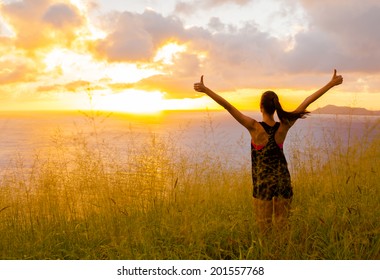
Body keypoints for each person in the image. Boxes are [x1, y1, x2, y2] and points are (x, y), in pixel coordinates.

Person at [193, 70, 343, 233]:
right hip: (282, 180)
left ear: (261, 107)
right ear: (275, 107)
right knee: (282, 226)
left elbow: (227, 106)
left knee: (263, 230)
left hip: (262, 184)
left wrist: (206, 90)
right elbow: (307, 101)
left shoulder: (253, 127)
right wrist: (331, 84)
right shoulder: (284, 125)